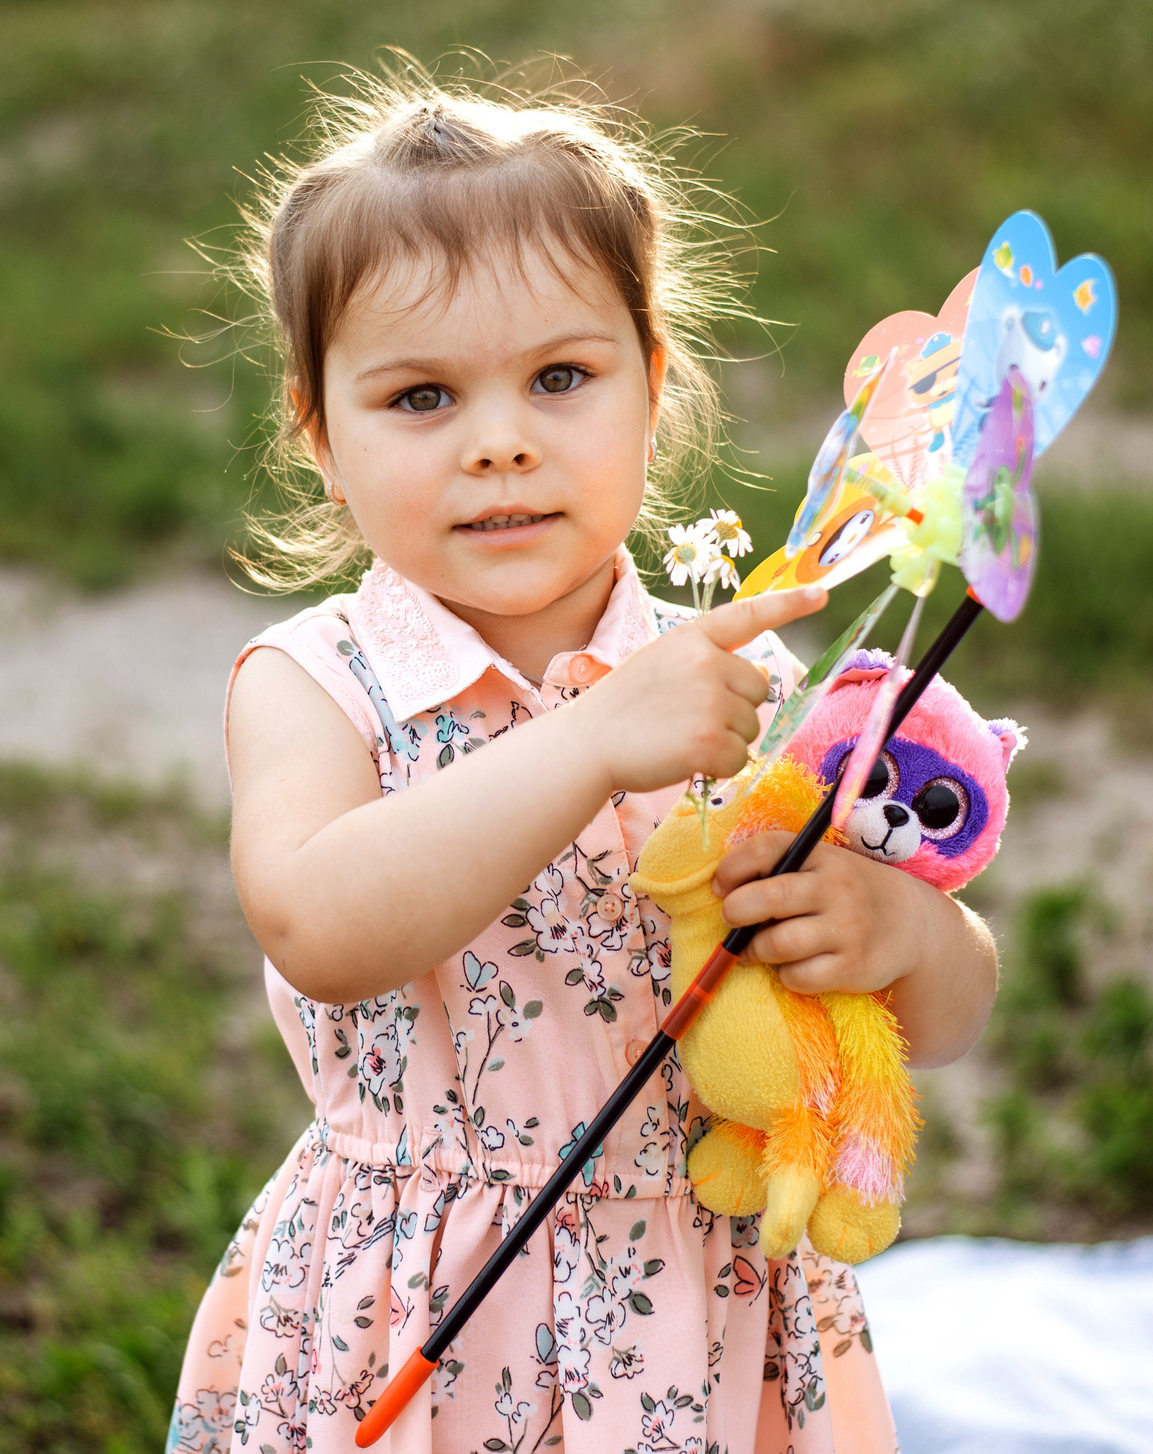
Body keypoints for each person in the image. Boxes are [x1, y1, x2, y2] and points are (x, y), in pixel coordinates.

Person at [169, 74, 1000, 1454]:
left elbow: (953, 1012)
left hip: (707, 1300)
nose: (501, 438)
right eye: (421, 395)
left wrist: (905, 930)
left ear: (654, 386)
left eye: (560, 377)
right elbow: (316, 921)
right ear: (319, 433)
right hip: (423, 1304)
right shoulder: (320, 684)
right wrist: (594, 740)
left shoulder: (734, 679)